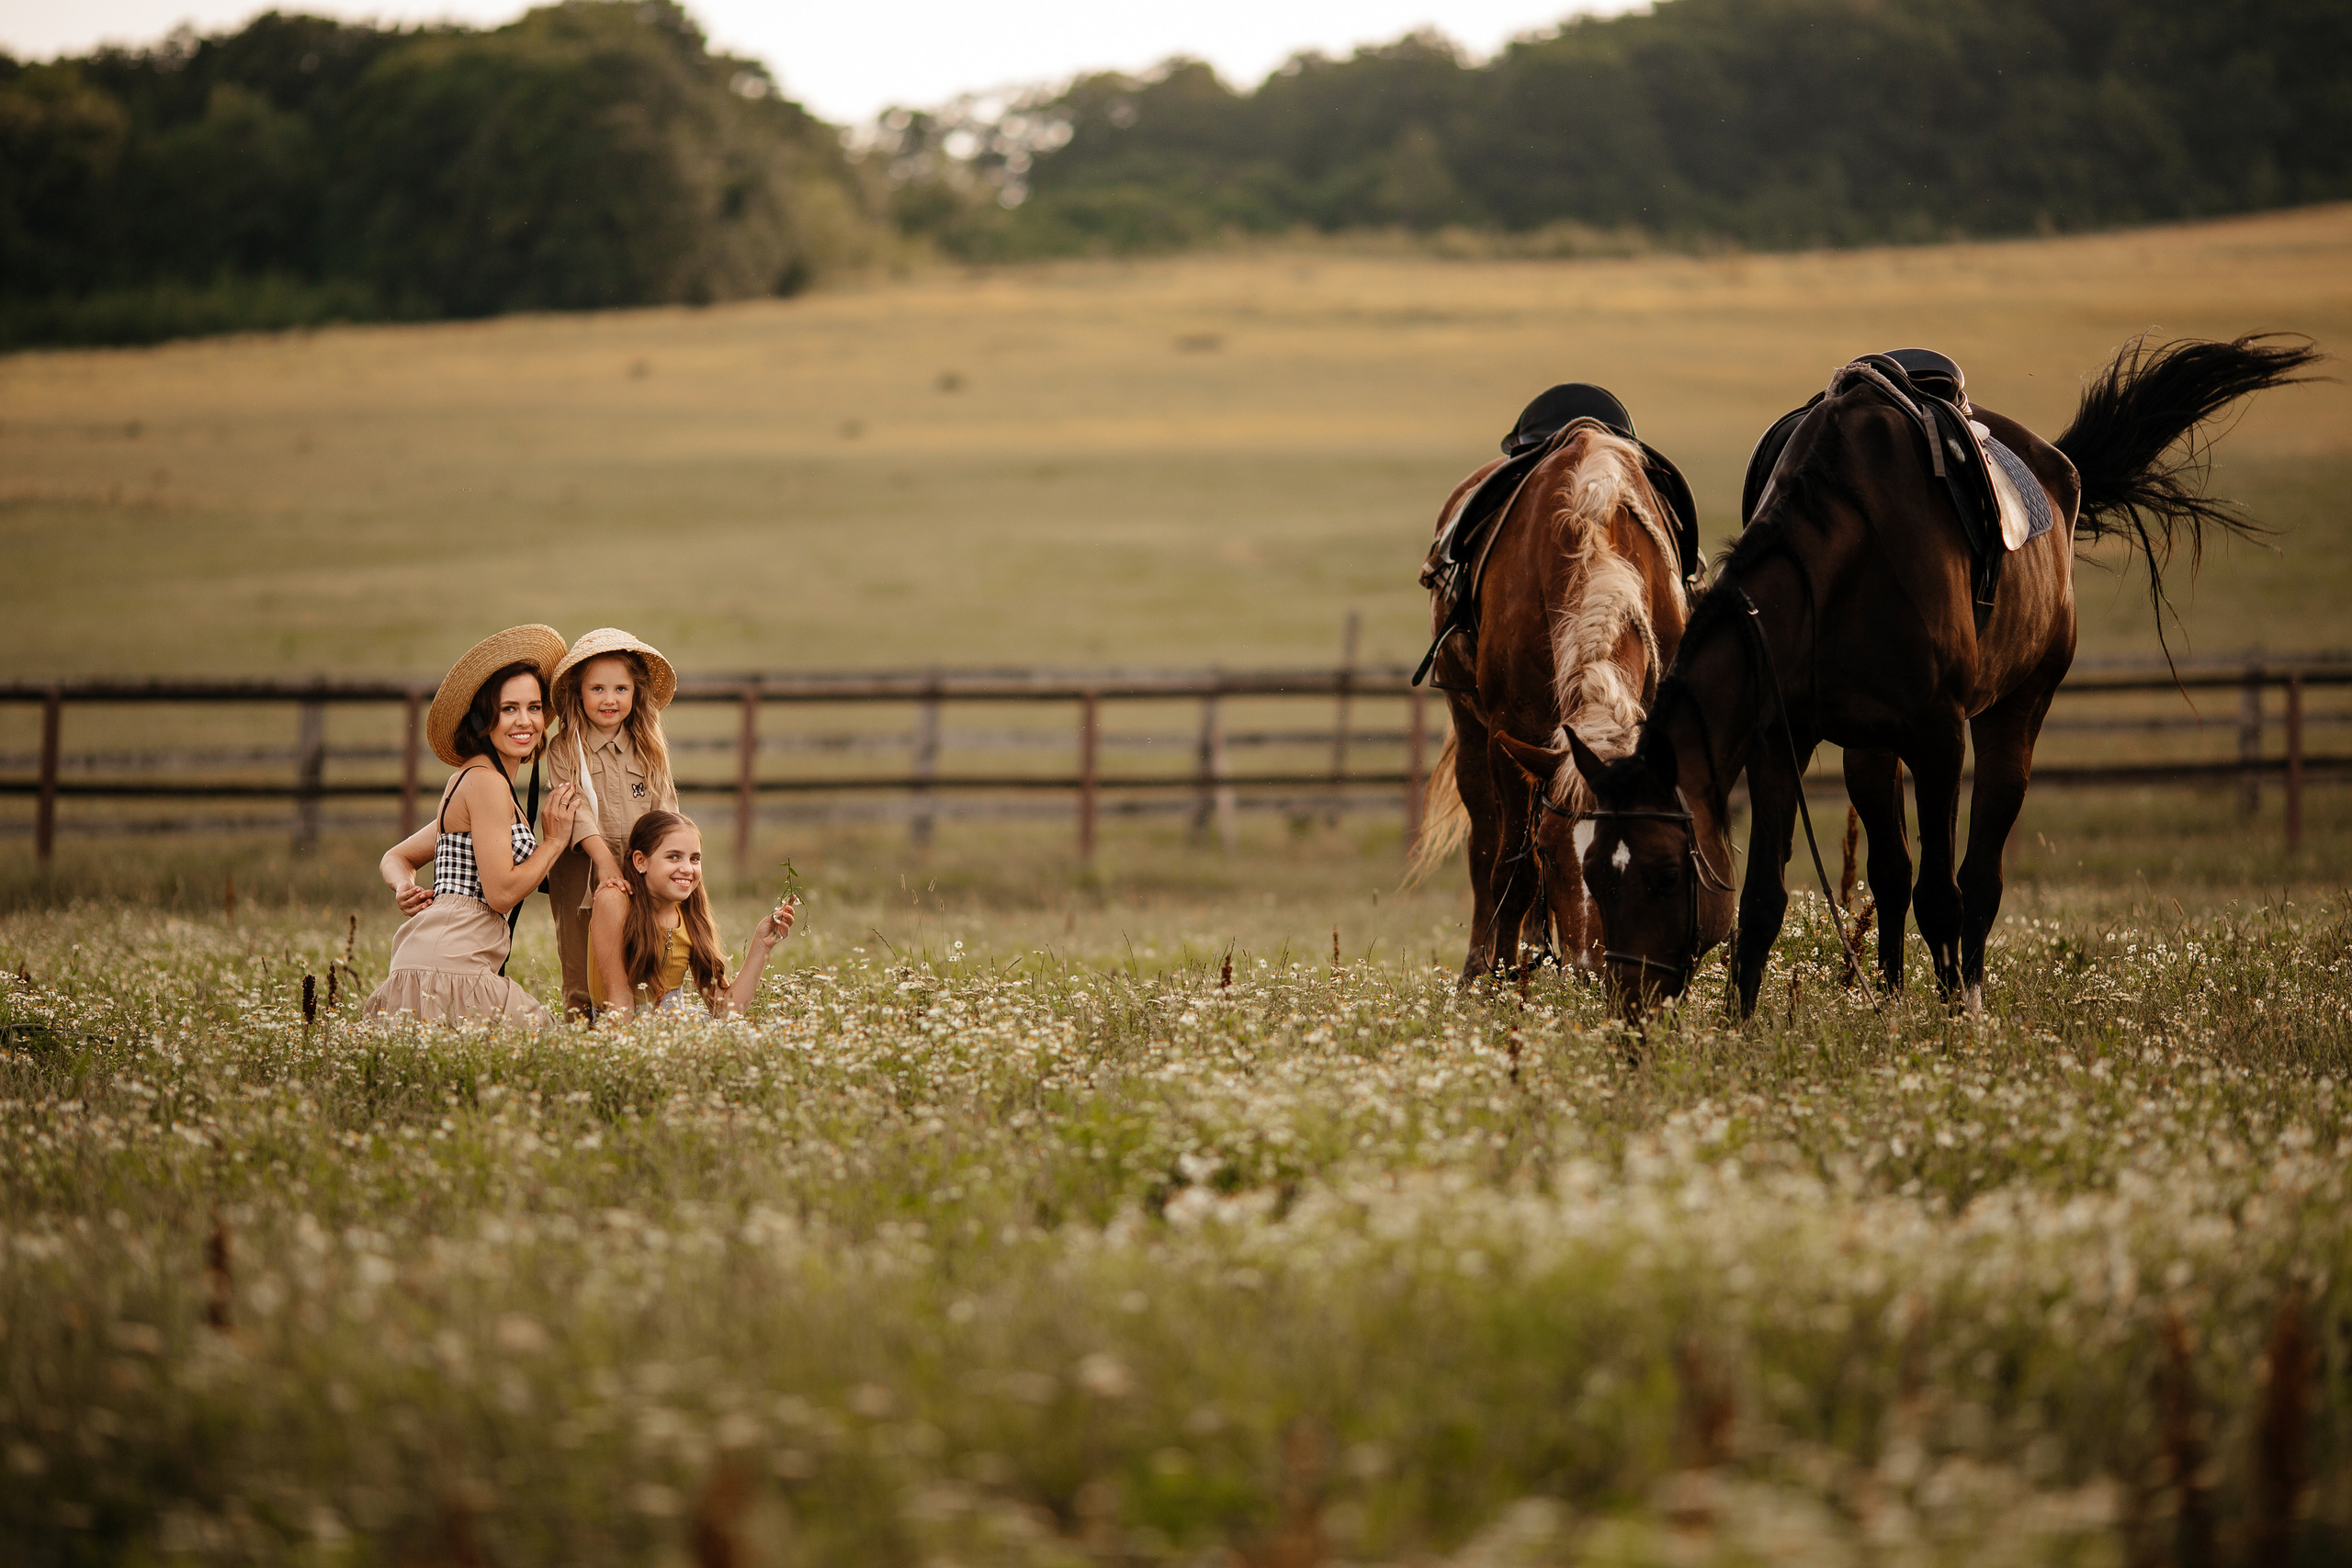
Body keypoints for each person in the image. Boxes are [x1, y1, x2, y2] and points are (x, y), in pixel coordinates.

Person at [363, 625, 578, 1027]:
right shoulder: (487, 784)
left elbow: (397, 856)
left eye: (533, 708)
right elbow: (500, 894)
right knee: (545, 1041)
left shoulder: (474, 779)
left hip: (428, 959)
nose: (525, 721)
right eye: (509, 708)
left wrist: (403, 884)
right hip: (451, 966)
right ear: (483, 717)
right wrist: (553, 843)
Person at [543, 628, 681, 1019]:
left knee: (643, 954)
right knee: (581, 960)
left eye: (620, 688)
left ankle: (636, 1029)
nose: (609, 699)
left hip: (642, 873)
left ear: (635, 693)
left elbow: (665, 816)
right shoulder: (564, 749)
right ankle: (582, 1031)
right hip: (584, 874)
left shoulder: (649, 750)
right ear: (578, 693)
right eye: (597, 689)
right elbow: (577, 810)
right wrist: (605, 862)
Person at [587, 811, 796, 1019]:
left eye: (694, 858)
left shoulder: (690, 913)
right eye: (673, 857)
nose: (687, 869)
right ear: (641, 861)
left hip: (675, 1026)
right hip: (625, 1026)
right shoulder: (615, 900)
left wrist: (761, 945)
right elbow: (619, 1000)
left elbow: (726, 1009)